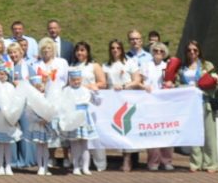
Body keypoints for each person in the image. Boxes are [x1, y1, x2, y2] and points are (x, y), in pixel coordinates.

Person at [175, 40, 218, 173]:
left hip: (205, 102)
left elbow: (216, 83)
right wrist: (188, 87)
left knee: (209, 135)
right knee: (194, 135)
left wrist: (212, 82)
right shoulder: (182, 67)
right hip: (190, 106)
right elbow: (177, 85)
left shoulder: (207, 65)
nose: (192, 52)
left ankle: (211, 163)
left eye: (195, 50)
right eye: (189, 50)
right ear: (186, 52)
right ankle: (196, 163)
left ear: (199, 51)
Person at [103, 39, 143, 172]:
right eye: (113, 48)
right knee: (115, 128)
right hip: (112, 101)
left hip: (128, 98)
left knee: (127, 128)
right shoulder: (106, 65)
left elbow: (137, 80)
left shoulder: (129, 63)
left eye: (118, 48)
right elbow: (104, 83)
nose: (115, 50)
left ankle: (127, 159)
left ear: (122, 49)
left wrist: (124, 86)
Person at [69, 41, 107, 172]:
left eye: (83, 50)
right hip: (77, 103)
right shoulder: (72, 66)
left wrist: (90, 86)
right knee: (78, 136)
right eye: (78, 50)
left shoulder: (93, 65)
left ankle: (99, 163)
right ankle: (78, 164)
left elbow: (103, 82)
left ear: (88, 52)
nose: (80, 53)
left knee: (93, 135)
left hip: (90, 103)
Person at [59, 68, 100, 176]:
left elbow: (97, 102)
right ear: (70, 80)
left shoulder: (86, 90)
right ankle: (76, 166)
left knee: (85, 144)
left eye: (78, 79)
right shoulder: (66, 90)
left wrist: (96, 92)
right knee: (74, 144)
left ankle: (85, 167)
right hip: (73, 118)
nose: (76, 82)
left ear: (81, 79)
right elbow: (62, 105)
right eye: (73, 80)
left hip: (85, 118)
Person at [141, 41, 175, 171]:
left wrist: (170, 84)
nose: (158, 53)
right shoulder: (146, 65)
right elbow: (141, 81)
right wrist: (145, 86)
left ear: (165, 53)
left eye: (161, 51)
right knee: (152, 132)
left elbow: (170, 81)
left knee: (165, 131)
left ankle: (166, 161)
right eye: (156, 50)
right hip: (149, 101)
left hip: (164, 102)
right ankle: (153, 161)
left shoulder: (167, 66)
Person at [0, 61, 21, 175]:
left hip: (8, 116)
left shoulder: (10, 87)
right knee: (0, 143)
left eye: (3, 74)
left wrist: (14, 117)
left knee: (8, 143)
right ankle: (0, 166)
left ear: (7, 75)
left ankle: (8, 166)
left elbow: (15, 102)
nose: (1, 76)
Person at [24, 71, 59, 176]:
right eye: (36, 86)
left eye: (41, 86)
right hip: (38, 125)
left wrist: (47, 118)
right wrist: (38, 120)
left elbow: (53, 108)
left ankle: (46, 167)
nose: (39, 88)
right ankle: (40, 167)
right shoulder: (32, 99)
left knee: (46, 147)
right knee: (39, 147)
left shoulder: (47, 96)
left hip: (46, 124)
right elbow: (29, 113)